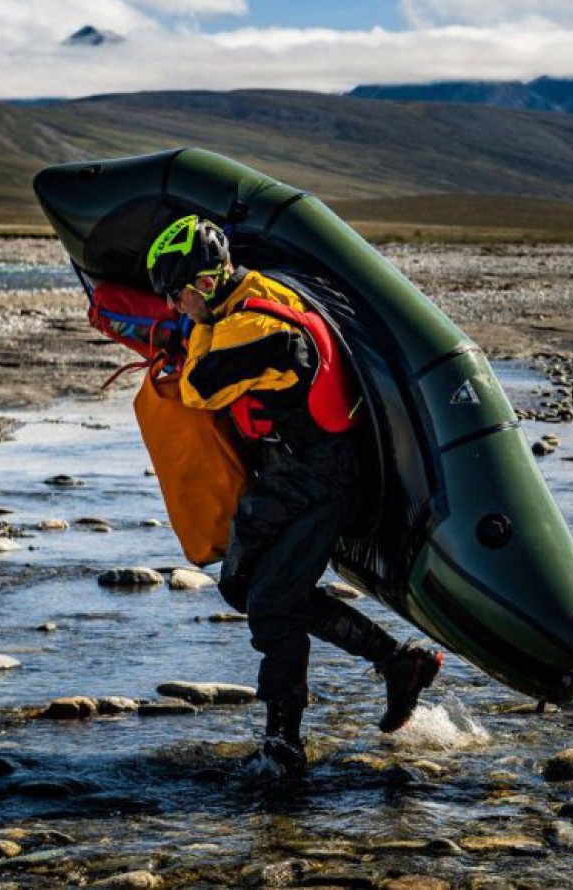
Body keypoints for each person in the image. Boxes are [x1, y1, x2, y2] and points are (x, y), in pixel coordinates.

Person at [147, 214, 442, 776]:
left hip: (321, 474)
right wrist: (199, 324)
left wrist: (197, 332)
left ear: (207, 284)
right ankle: (398, 663)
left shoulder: (254, 329)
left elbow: (197, 388)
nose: (175, 308)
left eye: (180, 295)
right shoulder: (253, 292)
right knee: (242, 586)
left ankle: (283, 746)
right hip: (294, 470)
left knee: (273, 605)